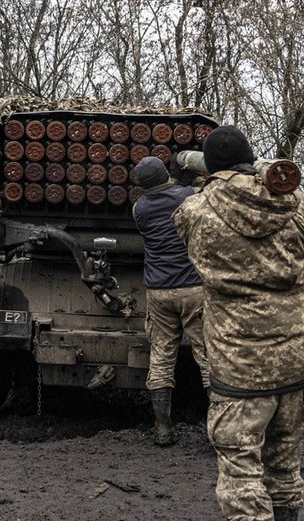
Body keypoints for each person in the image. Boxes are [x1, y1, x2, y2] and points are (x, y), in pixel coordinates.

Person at [173, 126, 304, 521]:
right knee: (284, 462)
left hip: (238, 362)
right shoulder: (293, 202)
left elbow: (186, 233)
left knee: (241, 468)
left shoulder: (195, 210)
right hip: (294, 356)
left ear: (210, 166)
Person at [130, 156, 210, 446]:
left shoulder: (139, 209)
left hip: (158, 290)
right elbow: (209, 189)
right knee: (207, 357)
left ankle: (163, 429)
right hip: (192, 288)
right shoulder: (188, 196)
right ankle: (217, 430)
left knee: (162, 356)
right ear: (167, 174)